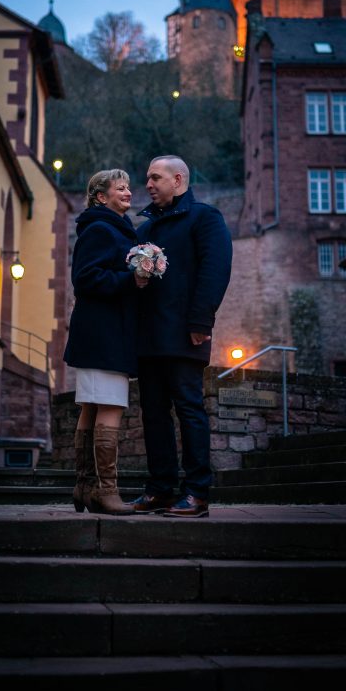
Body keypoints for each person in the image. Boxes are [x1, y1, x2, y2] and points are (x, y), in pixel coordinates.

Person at [132, 155, 232, 518]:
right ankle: (159, 489)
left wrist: (200, 323)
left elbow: (215, 270)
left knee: (189, 408)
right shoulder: (143, 231)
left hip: (185, 333)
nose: (148, 184)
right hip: (148, 337)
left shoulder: (205, 218)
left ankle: (196, 492)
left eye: (155, 177)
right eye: (147, 178)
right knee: (153, 414)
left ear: (178, 180)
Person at [63, 168, 147, 515]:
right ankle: (106, 491)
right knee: (109, 405)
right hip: (103, 334)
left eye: (129, 187)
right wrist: (133, 279)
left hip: (102, 332)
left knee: (92, 407)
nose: (128, 192)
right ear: (101, 196)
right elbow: (85, 280)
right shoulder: (100, 229)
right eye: (121, 188)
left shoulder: (111, 228)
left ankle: (85, 487)